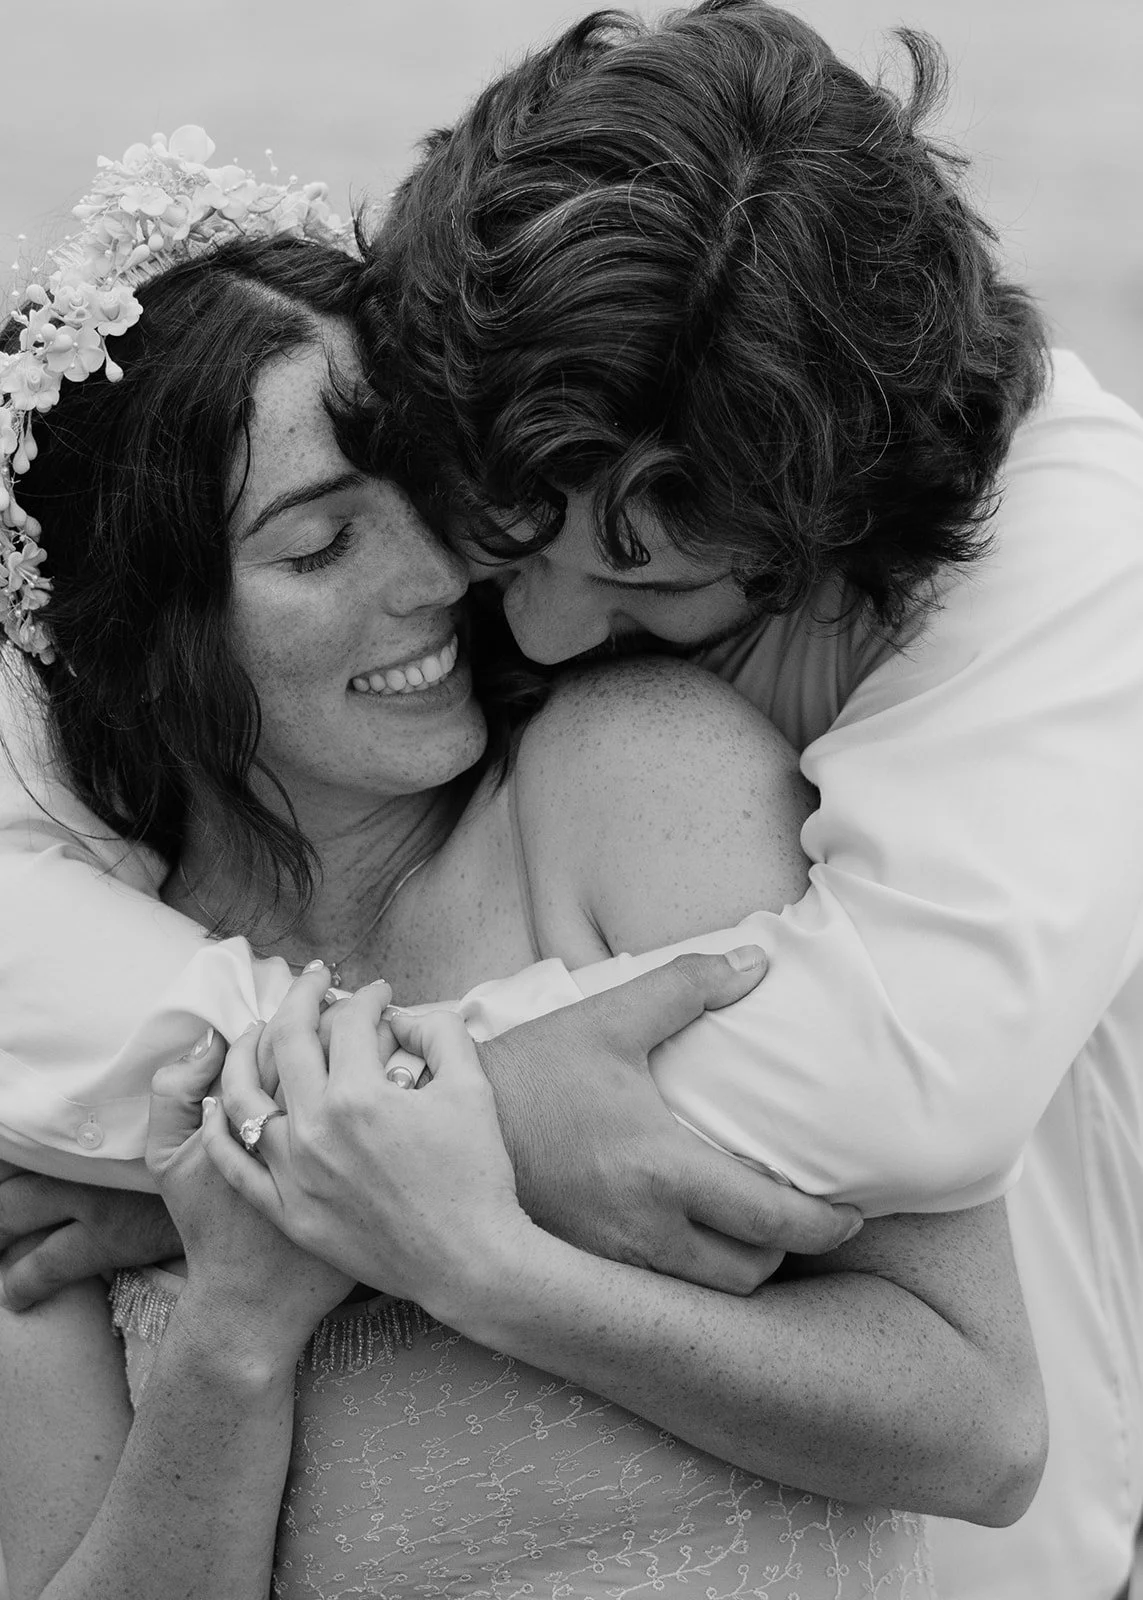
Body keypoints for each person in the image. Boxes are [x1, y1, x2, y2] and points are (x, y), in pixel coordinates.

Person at [2, 6, 1140, 1595]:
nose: (490, 611)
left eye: (637, 576)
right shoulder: (83, 982)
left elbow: (961, 1364)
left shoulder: (654, 764)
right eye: (326, 544)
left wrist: (405, 1206)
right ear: (142, 637)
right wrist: (234, 1321)